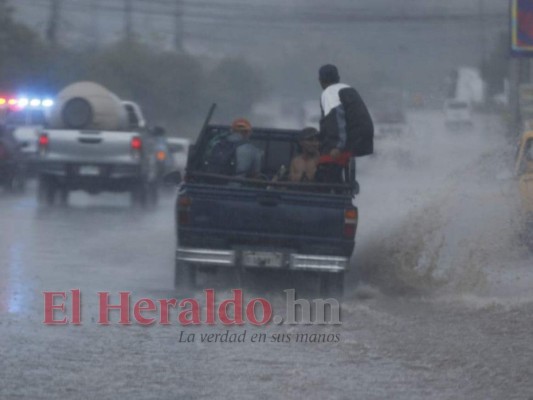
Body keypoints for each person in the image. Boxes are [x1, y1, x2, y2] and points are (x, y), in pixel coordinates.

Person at [315, 64, 374, 184]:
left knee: (327, 168)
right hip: (363, 138)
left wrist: (338, 146)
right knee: (336, 169)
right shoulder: (348, 88)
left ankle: (330, 192)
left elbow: (336, 120)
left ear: (320, 80)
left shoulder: (329, 93)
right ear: (338, 77)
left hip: (350, 139)